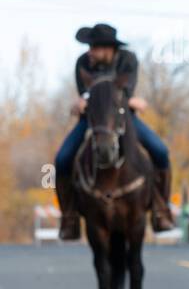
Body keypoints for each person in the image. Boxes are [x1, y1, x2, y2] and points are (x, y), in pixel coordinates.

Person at [54, 23, 173, 240]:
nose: (89, 51)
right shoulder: (83, 63)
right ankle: (69, 217)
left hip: (124, 117)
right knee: (62, 159)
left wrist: (130, 101)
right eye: (89, 47)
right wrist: (80, 103)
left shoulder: (128, 59)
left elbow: (125, 90)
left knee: (160, 151)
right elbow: (86, 92)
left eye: (94, 47)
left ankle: (161, 209)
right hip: (93, 120)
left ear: (108, 49)